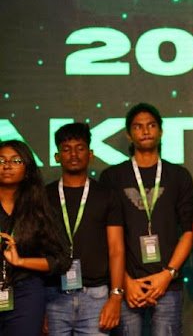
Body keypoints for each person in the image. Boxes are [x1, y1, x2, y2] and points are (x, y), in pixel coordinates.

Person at [99, 103, 193, 335]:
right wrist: (124, 282)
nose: (145, 131)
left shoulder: (178, 176)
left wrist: (168, 274)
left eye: (151, 125)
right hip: (128, 285)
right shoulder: (112, 177)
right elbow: (106, 238)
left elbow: (189, 232)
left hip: (167, 284)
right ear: (128, 134)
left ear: (160, 131)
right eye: (138, 126)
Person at [45, 122, 125, 334]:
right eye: (66, 149)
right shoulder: (44, 196)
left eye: (80, 148)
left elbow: (116, 248)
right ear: (57, 157)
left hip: (96, 296)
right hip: (52, 295)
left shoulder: (106, 195)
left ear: (90, 154)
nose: (73, 154)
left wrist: (116, 296)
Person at [0, 140, 71, 335]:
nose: (7, 165)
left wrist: (20, 261)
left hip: (26, 291)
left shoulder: (40, 209)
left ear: (27, 170)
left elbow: (61, 260)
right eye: (1, 160)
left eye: (16, 161)